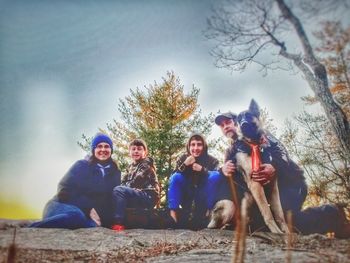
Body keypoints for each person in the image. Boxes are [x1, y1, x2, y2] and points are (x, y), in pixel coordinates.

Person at [214, 112, 350, 238]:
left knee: (284, 221)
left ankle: (332, 214)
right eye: (222, 125)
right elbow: (236, 181)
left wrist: (274, 166)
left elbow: (281, 151)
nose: (226, 127)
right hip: (268, 195)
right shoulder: (231, 151)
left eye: (228, 122)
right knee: (261, 225)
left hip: (291, 184)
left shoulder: (258, 134)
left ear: (237, 123)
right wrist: (223, 170)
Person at [30, 133, 121, 229]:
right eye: (99, 146)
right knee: (76, 216)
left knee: (92, 226)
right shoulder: (81, 165)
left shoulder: (115, 173)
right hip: (60, 205)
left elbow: (109, 200)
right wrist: (88, 208)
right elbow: (64, 190)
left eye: (107, 146)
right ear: (94, 150)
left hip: (84, 214)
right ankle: (32, 228)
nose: (103, 149)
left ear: (111, 150)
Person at [167, 133, 221, 229]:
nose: (196, 148)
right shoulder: (183, 158)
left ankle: (209, 214)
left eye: (199, 144)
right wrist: (184, 165)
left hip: (203, 194)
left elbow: (217, 178)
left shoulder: (212, 160)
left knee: (215, 175)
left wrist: (202, 170)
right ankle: (173, 217)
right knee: (175, 177)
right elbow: (172, 178)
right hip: (187, 194)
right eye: (193, 144)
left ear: (204, 146)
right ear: (189, 146)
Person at [111, 139, 159, 231]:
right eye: (133, 149)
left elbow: (136, 181)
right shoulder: (130, 167)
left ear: (145, 152)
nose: (136, 151)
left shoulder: (146, 165)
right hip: (137, 195)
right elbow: (123, 182)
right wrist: (128, 188)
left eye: (139, 149)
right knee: (116, 192)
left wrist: (126, 188)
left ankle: (118, 223)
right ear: (129, 152)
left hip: (148, 196)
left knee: (119, 190)